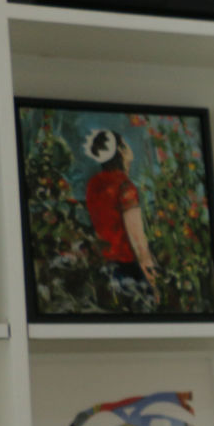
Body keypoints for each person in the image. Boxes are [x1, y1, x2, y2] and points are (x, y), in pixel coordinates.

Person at [83, 128, 162, 311]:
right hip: (128, 270)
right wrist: (154, 283)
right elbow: (138, 242)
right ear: (121, 151)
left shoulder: (93, 184)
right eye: (127, 145)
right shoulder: (125, 187)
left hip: (104, 269)